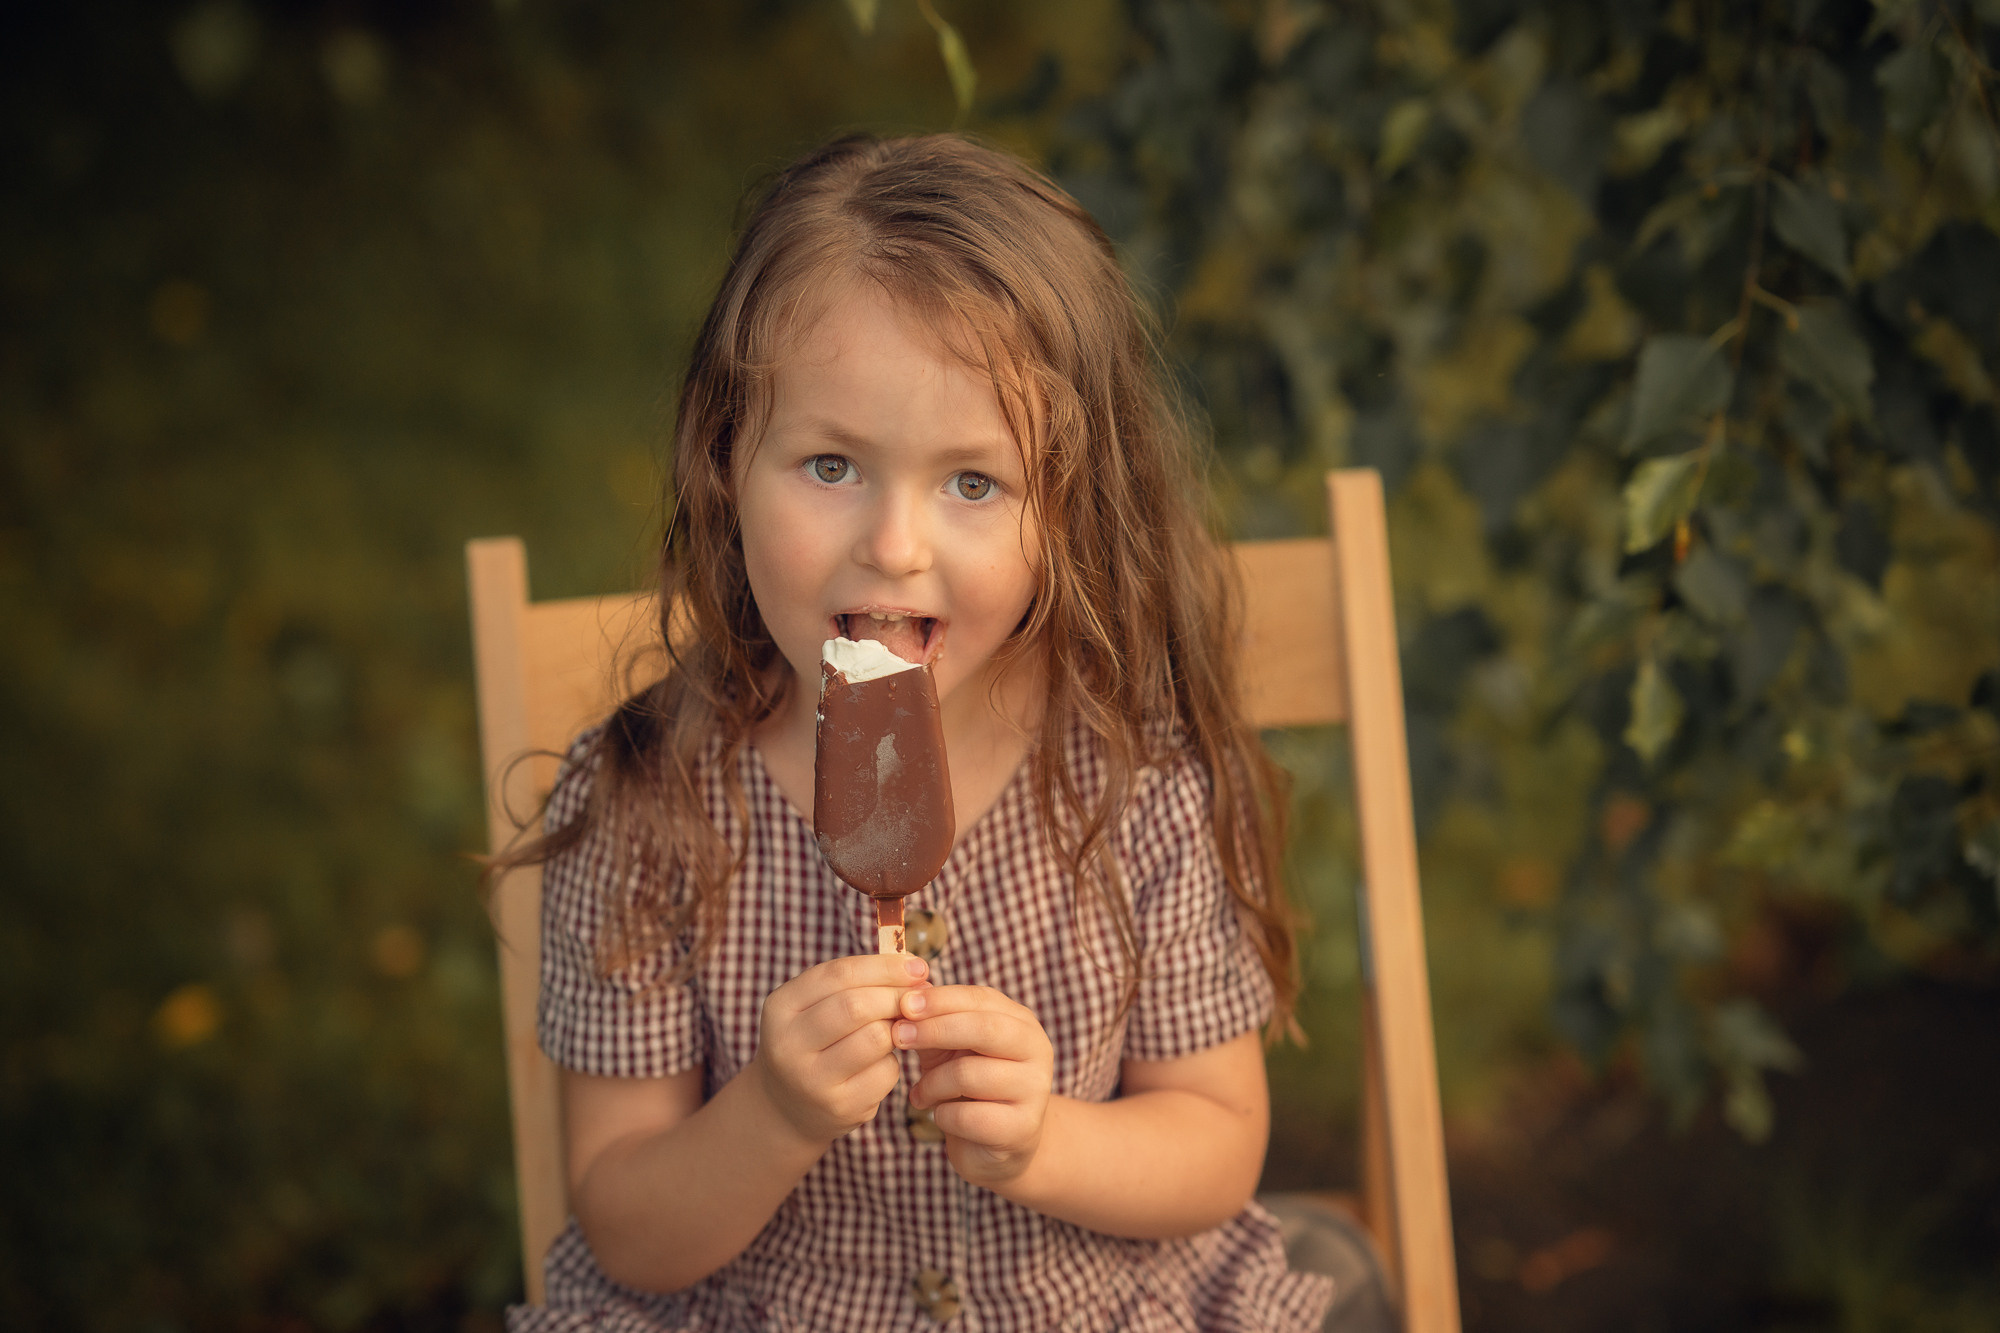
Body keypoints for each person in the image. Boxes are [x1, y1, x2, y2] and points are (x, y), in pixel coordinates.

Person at [495, 133, 1391, 1333]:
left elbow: (1215, 1147)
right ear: (723, 460)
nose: (894, 545)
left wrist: (1045, 1141)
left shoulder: (1143, 777)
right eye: (829, 464)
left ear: (1068, 508)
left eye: (972, 483)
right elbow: (626, 1226)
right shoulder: (642, 805)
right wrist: (770, 1113)